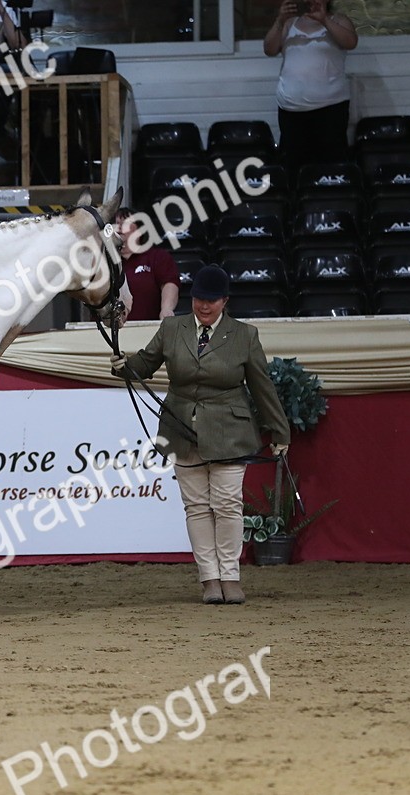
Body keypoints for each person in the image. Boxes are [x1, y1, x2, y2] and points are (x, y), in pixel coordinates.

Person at [110, 265, 290, 605]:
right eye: (198, 300)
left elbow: (262, 387)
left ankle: (230, 576)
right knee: (196, 507)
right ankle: (209, 578)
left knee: (227, 505)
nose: (203, 307)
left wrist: (280, 432)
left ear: (225, 301)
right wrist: (124, 365)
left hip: (230, 430)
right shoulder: (172, 328)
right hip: (181, 428)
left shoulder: (245, 335)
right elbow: (145, 365)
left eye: (211, 301)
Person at [264, 1, 359, 174]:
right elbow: (269, 49)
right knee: (294, 165)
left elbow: (351, 42)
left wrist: (324, 20)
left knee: (331, 164)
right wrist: (280, 20)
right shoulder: (289, 23)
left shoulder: (338, 20)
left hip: (331, 108)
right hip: (292, 109)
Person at [115, 207, 180, 321]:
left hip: (148, 329)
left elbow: (169, 283)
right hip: (111, 333)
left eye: (124, 223)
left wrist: (166, 308)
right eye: (115, 224)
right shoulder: (105, 261)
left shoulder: (157, 257)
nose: (118, 228)